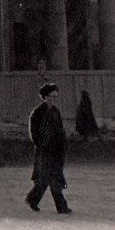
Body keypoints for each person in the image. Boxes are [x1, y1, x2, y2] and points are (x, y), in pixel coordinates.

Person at [25, 82, 71, 214]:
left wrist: (62, 144)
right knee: (46, 178)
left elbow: (60, 130)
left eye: (55, 96)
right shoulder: (38, 112)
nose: (53, 99)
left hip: (56, 151)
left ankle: (33, 200)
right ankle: (60, 207)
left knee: (52, 178)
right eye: (51, 96)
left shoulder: (55, 112)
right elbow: (33, 131)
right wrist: (40, 144)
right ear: (44, 97)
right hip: (44, 151)